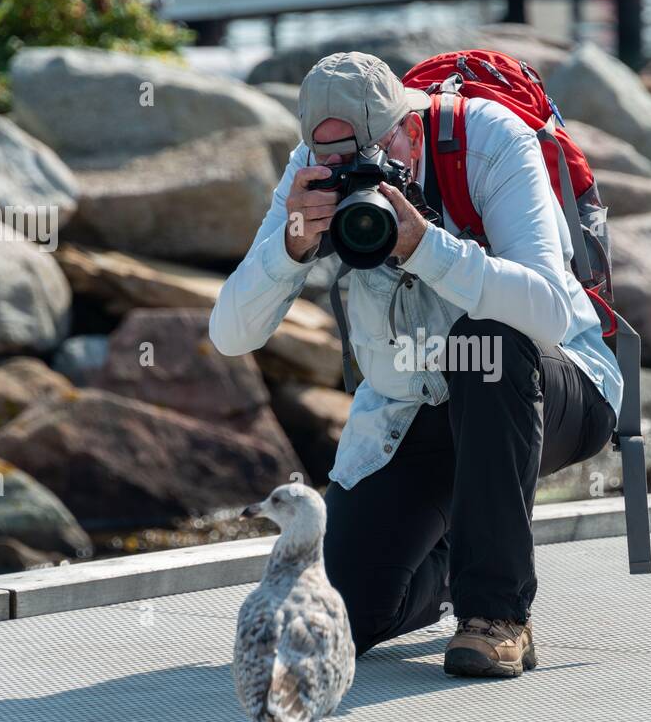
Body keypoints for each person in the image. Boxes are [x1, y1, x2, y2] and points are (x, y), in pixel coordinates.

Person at [210, 51, 623, 678]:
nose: (350, 176)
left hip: (553, 387)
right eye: (333, 161)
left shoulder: (488, 140)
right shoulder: (311, 171)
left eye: (367, 157)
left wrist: (427, 247)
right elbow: (231, 333)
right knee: (348, 613)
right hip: (415, 410)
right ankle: (457, 562)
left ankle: (496, 616)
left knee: (487, 343)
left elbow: (546, 313)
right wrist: (291, 246)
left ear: (407, 126)